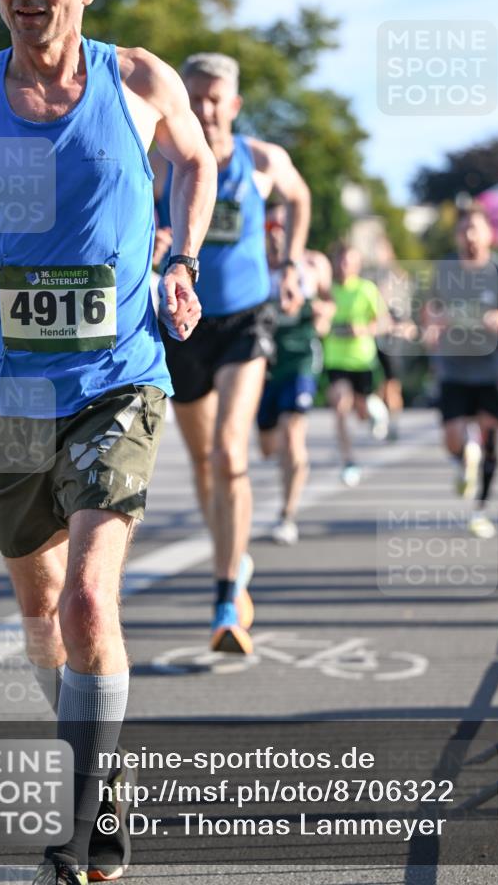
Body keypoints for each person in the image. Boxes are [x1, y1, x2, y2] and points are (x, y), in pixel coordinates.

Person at [0, 0, 216, 885]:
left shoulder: (136, 81)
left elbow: (195, 164)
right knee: (40, 610)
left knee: (87, 600)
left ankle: (85, 820)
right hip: (4, 391)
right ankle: (100, 772)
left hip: (117, 375)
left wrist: (184, 258)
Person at [152, 52, 310, 654]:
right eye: (194, 97)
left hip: (248, 316)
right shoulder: (164, 164)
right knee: (200, 462)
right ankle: (233, 558)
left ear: (235, 104)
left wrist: (291, 262)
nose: (206, 109)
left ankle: (224, 597)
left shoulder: (263, 161)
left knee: (227, 449)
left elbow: (300, 199)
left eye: (217, 98)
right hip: (186, 320)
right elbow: (137, 223)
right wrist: (156, 238)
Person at [424, 205, 498, 538]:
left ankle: (480, 508)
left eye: (476, 229)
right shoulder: (444, 270)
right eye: (464, 230)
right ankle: (463, 461)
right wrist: (435, 324)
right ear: (457, 235)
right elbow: (429, 311)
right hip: (453, 369)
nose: (470, 236)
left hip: (491, 369)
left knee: (489, 437)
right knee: (452, 438)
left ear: (489, 234)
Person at [257, 204, 335, 545]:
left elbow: (330, 302)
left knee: (293, 436)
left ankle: (287, 514)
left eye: (284, 226)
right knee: (268, 447)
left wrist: (323, 315)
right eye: (271, 225)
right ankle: (288, 469)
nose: (277, 233)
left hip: (302, 357)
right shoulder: (255, 266)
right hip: (263, 364)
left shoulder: (314, 264)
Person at [323, 242, 390, 486]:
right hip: (335, 361)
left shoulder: (366, 289)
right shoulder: (327, 290)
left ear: (357, 265)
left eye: (349, 262)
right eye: (340, 261)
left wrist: (362, 329)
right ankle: (349, 461)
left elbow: (384, 323)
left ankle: (373, 407)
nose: (344, 266)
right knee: (340, 405)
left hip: (362, 361)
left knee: (360, 412)